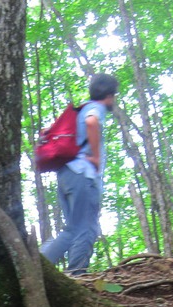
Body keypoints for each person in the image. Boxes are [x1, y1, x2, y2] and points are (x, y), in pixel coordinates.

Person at [40, 73, 118, 275]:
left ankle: (37, 264)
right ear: (109, 95)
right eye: (114, 96)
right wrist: (96, 157)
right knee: (87, 228)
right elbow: (92, 122)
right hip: (83, 175)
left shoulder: (79, 110)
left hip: (66, 174)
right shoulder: (95, 108)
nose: (114, 101)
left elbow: (47, 131)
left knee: (73, 228)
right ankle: (77, 275)